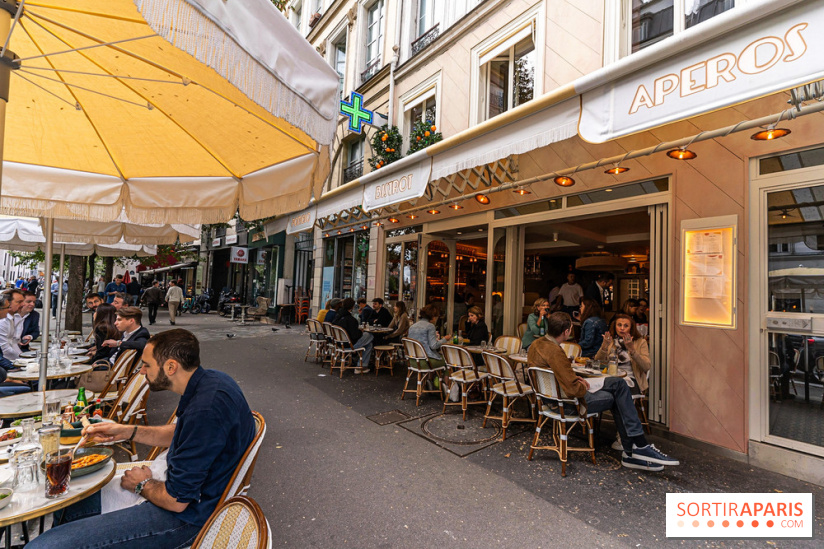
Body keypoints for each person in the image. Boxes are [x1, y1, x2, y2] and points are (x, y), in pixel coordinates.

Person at [29, 329, 255, 549]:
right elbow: (181, 434)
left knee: (42, 546)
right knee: (68, 505)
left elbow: (176, 501)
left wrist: (142, 484)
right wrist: (125, 431)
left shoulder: (204, 411)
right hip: (184, 494)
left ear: (171, 367)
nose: (141, 372)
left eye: (146, 365)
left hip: (188, 520)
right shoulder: (211, 381)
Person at [528, 312, 678, 472]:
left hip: (551, 399)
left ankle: (634, 450)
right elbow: (574, 390)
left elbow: (561, 375)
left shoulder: (537, 344)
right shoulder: (556, 352)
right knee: (619, 396)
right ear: (566, 331)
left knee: (619, 385)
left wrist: (575, 378)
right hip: (569, 404)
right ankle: (636, 447)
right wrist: (581, 384)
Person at [332, 298, 374, 374]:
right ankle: (360, 366)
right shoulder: (351, 319)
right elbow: (355, 335)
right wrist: (360, 331)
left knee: (369, 344)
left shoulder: (337, 316)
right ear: (352, 307)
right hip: (349, 345)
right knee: (370, 335)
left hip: (338, 343)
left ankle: (362, 365)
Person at [407, 304, 449, 369]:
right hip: (425, 361)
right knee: (447, 361)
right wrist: (445, 339)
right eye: (436, 316)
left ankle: (430, 378)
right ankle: (444, 379)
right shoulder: (430, 326)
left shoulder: (412, 326)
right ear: (432, 316)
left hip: (412, 361)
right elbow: (433, 346)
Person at [0, 289, 25, 362]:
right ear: (8, 303)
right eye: (19, 302)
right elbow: (5, 348)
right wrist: (22, 359)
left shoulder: (13, 317)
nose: (23, 304)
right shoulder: (3, 320)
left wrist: (22, 357)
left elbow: (13, 342)